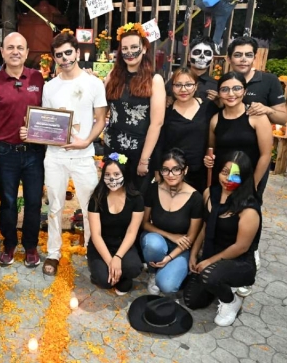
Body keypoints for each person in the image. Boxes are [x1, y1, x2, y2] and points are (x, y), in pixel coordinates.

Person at [19, 31, 107, 276]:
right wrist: (32, 132)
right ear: (54, 58)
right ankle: (54, 252)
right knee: (55, 206)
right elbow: (45, 123)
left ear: (77, 53)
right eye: (59, 55)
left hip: (83, 154)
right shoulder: (49, 87)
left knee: (92, 206)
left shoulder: (94, 83)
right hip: (55, 156)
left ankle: (93, 250)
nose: (65, 58)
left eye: (69, 53)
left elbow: (101, 120)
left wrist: (86, 141)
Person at [0, 32, 45, 267]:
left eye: (20, 47)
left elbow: (50, 115)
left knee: (33, 201)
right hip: (4, 152)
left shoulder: (38, 79)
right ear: (2, 52)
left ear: (27, 53)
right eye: (10, 47)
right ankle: (9, 243)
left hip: (34, 153)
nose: (15, 51)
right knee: (7, 201)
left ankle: (30, 246)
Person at [184, 151, 262, 327]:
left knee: (208, 275)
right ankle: (219, 282)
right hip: (212, 251)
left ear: (245, 177)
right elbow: (204, 227)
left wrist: (209, 262)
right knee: (191, 301)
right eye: (225, 172)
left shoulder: (249, 208)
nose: (228, 179)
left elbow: (241, 247)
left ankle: (232, 301)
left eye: (236, 175)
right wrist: (194, 255)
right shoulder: (209, 193)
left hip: (239, 259)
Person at [103, 23, 165, 195]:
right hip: (112, 147)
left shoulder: (155, 80)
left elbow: (157, 123)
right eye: (125, 48)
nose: (129, 52)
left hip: (139, 151)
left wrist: (145, 159)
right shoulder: (111, 77)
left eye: (134, 47)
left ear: (144, 48)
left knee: (135, 197)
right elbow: (101, 110)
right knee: (112, 194)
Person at [141, 149, 203, 295]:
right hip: (156, 239)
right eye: (166, 170)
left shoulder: (195, 198)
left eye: (176, 170)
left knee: (167, 286)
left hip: (181, 247)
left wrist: (169, 257)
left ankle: (168, 269)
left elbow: (191, 237)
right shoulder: (154, 189)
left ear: (185, 170)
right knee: (153, 244)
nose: (170, 175)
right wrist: (170, 235)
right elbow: (144, 223)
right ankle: (153, 272)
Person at [205, 72, 272, 196]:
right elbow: (211, 151)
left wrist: (253, 184)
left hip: (248, 179)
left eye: (237, 88)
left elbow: (266, 155)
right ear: (219, 93)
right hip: (222, 181)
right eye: (225, 89)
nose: (231, 94)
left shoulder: (257, 117)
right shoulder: (215, 120)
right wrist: (208, 159)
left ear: (245, 91)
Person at [87, 153, 144, 295]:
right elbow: (96, 235)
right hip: (101, 244)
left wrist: (118, 257)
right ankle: (108, 272)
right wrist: (110, 261)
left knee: (134, 267)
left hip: (123, 243)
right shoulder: (97, 197)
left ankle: (123, 276)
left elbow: (131, 232)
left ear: (125, 174)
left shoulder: (136, 198)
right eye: (107, 174)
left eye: (116, 174)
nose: (112, 179)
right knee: (104, 281)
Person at [156, 68, 219, 192]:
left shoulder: (208, 107)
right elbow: (160, 143)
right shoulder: (166, 111)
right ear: (172, 87)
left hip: (200, 172)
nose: (183, 89)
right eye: (178, 85)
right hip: (172, 173)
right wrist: (157, 170)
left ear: (196, 87)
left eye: (189, 85)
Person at [227, 36, 287, 126]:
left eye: (249, 55)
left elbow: (283, 119)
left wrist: (267, 110)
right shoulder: (224, 82)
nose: (243, 59)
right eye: (238, 55)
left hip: (258, 137)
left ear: (254, 58)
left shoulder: (269, 80)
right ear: (229, 59)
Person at [166, 36, 218, 102]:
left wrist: (219, 102)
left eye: (207, 53)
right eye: (197, 52)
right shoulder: (174, 81)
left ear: (212, 59)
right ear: (189, 57)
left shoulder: (216, 87)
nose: (202, 56)